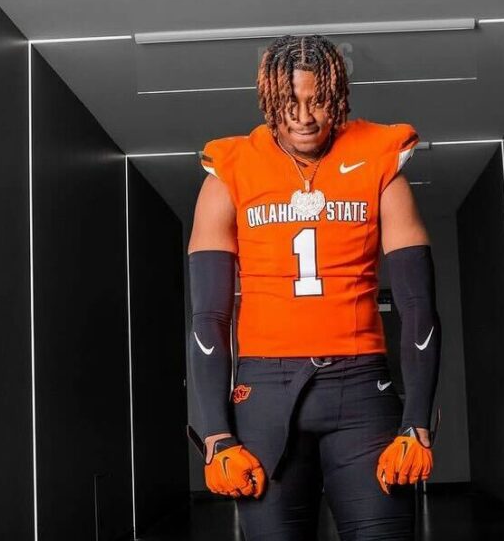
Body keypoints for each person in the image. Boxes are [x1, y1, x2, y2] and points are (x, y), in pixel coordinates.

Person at [186, 34, 442, 540]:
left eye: (318, 101)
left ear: (339, 97)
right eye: (289, 103)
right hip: (263, 392)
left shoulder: (380, 160)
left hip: (362, 388)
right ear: (269, 101)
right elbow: (208, 318)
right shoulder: (229, 171)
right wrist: (215, 436)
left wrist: (417, 423)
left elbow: (417, 306)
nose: (303, 117)